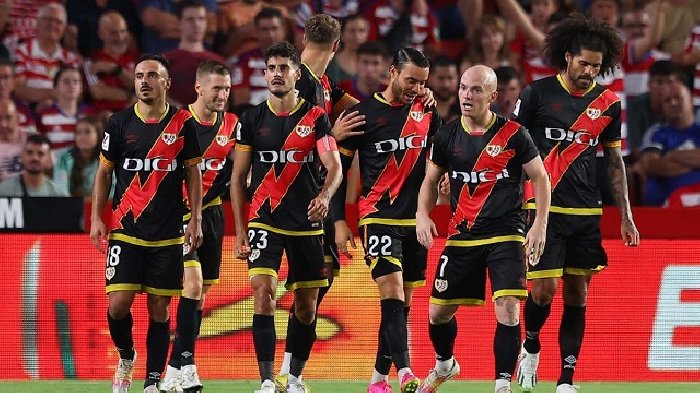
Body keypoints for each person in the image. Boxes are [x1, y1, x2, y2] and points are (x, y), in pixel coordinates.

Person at [512, 14, 640, 393]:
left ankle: (566, 379)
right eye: (583, 63)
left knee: (577, 292)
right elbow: (512, 150)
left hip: (586, 209)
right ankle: (531, 342)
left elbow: (614, 162)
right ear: (567, 57)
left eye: (596, 67)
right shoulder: (536, 94)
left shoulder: (608, 103)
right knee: (543, 290)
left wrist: (626, 215)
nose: (589, 72)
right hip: (542, 208)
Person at [415, 65, 550, 393]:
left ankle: (501, 384)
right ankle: (445, 363)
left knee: (508, 307)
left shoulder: (514, 134)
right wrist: (422, 213)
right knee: (437, 314)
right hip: (463, 235)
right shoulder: (446, 135)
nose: (466, 95)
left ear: (492, 97)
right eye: (463, 88)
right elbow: (431, 180)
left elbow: (540, 178)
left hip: (506, 233)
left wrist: (540, 225)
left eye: (476, 90)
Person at [230, 41, 342, 393]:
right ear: (264, 74)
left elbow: (334, 166)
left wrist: (325, 196)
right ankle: (266, 380)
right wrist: (240, 230)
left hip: (307, 224)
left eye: (284, 68)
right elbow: (237, 178)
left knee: (307, 307)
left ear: (297, 73)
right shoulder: (250, 119)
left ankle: (293, 378)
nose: (277, 74)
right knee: (264, 293)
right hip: (265, 220)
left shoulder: (316, 118)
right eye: (271, 68)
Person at [89, 53, 203, 393]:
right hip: (126, 227)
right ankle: (126, 357)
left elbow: (193, 173)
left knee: (159, 307)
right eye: (139, 75)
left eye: (152, 75)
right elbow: (104, 173)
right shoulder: (119, 123)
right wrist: (98, 216)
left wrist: (194, 218)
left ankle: (152, 382)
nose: (144, 81)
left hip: (168, 232)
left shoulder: (183, 123)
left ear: (166, 83)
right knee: (119, 303)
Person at [330, 47, 441, 393]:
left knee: (400, 305)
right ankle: (406, 371)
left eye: (422, 83)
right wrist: (338, 220)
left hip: (415, 221)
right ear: (392, 72)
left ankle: (378, 379)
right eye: (410, 80)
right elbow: (339, 171)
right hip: (377, 217)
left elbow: (436, 161)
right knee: (390, 291)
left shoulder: (428, 112)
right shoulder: (361, 116)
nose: (416, 88)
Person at [275, 13, 362, 390]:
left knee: (315, 286)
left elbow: (367, 110)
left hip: (315, 201)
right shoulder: (299, 82)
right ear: (338, 46)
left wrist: (409, 97)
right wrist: (330, 132)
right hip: (297, 202)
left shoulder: (322, 84)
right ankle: (284, 372)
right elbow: (282, 136)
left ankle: (289, 373)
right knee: (306, 288)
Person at [160, 60, 239, 393]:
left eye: (227, 89)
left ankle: (172, 371)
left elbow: (246, 164)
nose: (222, 95)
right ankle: (189, 366)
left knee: (201, 293)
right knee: (191, 287)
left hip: (213, 214)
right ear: (199, 88)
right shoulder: (178, 123)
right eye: (216, 88)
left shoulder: (234, 125)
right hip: (179, 215)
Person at [638, 82, 700, 206]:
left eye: (678, 97)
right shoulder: (656, 133)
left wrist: (671, 155)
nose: (673, 103)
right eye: (667, 100)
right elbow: (651, 165)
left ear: (691, 100)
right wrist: (694, 163)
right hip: (665, 200)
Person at [166, 0, 225, 107]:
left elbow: (224, 103)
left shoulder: (218, 61)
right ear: (179, 23)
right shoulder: (166, 60)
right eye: (190, 20)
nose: (196, 24)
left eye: (201, 19)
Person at [84, 11, 139, 114]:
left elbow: (142, 88)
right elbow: (98, 92)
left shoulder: (136, 58)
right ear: (101, 34)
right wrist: (131, 95)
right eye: (113, 33)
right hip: (103, 118)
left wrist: (116, 69)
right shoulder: (91, 60)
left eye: (123, 31)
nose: (120, 37)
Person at [230, 7, 286, 106]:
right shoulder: (244, 61)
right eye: (265, 30)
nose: (270, 35)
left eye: (274, 28)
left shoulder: (297, 61)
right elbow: (241, 104)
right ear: (256, 32)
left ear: (283, 30)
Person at [53, 116, 106, 198]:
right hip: (71, 207)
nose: (82, 137)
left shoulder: (107, 159)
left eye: (87, 132)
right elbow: (60, 191)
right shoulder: (64, 158)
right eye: (78, 133)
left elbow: (111, 193)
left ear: (98, 135)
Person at [0, 133, 68, 197]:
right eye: (29, 153)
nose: (34, 158)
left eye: (40, 154)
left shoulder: (58, 195)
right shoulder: (4, 191)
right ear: (21, 156)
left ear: (49, 159)